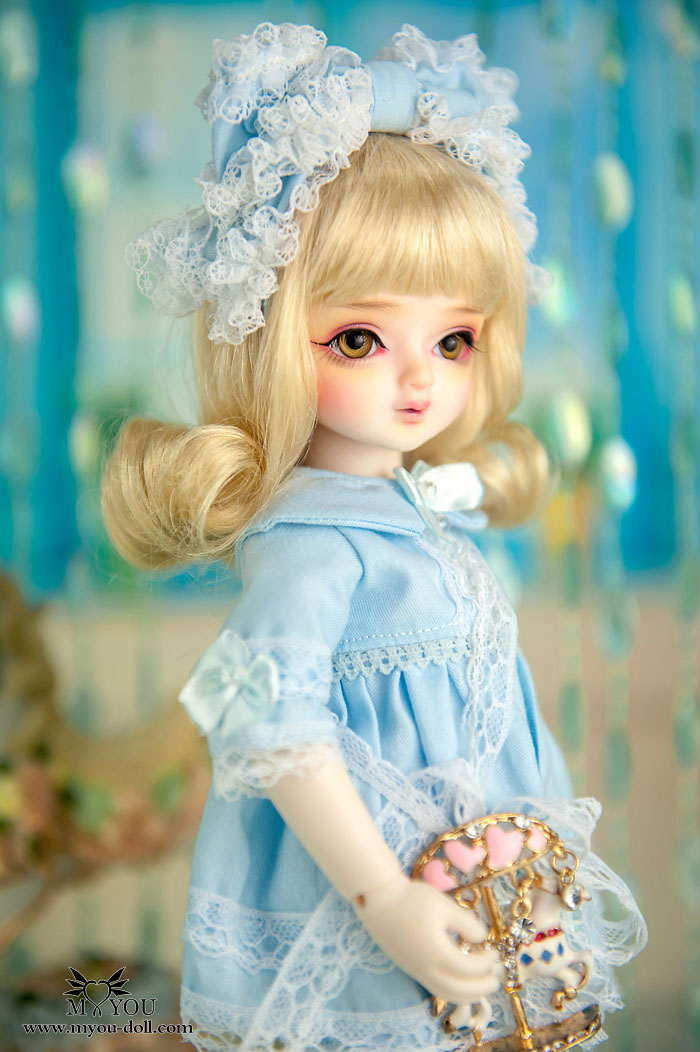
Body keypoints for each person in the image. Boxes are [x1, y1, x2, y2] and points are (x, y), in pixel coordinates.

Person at [102, 22, 646, 1052]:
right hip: (373, 900)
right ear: (272, 336)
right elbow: (257, 715)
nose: (419, 378)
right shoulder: (313, 543)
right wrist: (383, 897)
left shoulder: (410, 509)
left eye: (454, 338)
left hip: (488, 887)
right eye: (358, 338)